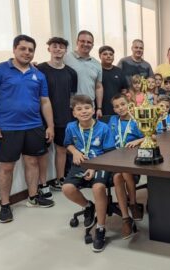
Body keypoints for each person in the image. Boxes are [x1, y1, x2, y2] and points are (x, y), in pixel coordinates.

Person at [0, 35, 55, 223]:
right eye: (23, 48)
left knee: (33, 163)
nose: (27, 52)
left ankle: (33, 197)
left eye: (30, 50)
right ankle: (5, 205)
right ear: (14, 49)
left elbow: (44, 101)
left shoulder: (38, 75)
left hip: (34, 126)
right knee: (6, 168)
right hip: (7, 128)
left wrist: (50, 125)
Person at [62, 95, 115, 252]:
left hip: (101, 163)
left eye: (87, 108)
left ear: (93, 110)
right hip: (80, 165)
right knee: (67, 189)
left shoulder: (103, 128)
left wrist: (95, 167)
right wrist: (75, 152)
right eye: (79, 109)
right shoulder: (71, 127)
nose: (83, 111)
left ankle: (100, 229)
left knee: (98, 187)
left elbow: (110, 153)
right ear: (74, 113)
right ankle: (88, 206)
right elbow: (68, 144)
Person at [36, 37, 77, 195]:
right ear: (49, 49)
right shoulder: (39, 69)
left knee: (61, 150)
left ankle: (60, 179)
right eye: (55, 46)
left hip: (64, 117)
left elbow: (72, 97)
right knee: (42, 153)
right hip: (41, 119)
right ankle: (43, 184)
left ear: (65, 51)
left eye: (61, 47)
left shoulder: (71, 73)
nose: (58, 49)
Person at [108, 94, 144, 239]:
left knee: (121, 175)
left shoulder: (137, 120)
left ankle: (130, 210)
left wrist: (139, 140)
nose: (120, 108)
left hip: (131, 161)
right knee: (118, 175)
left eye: (123, 104)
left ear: (130, 104)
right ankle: (127, 214)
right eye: (116, 106)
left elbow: (153, 136)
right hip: (114, 159)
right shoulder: (112, 120)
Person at [64, 30, 104, 118]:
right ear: (77, 42)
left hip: (89, 108)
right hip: (71, 108)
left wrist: (99, 108)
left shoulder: (97, 64)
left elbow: (98, 87)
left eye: (89, 42)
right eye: (82, 41)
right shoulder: (66, 58)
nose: (86, 44)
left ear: (92, 45)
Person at [99, 45, 128, 116]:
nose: (108, 56)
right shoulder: (97, 70)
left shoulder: (119, 71)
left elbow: (124, 90)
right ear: (100, 56)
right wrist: (98, 108)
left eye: (111, 54)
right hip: (101, 109)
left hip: (118, 109)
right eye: (105, 54)